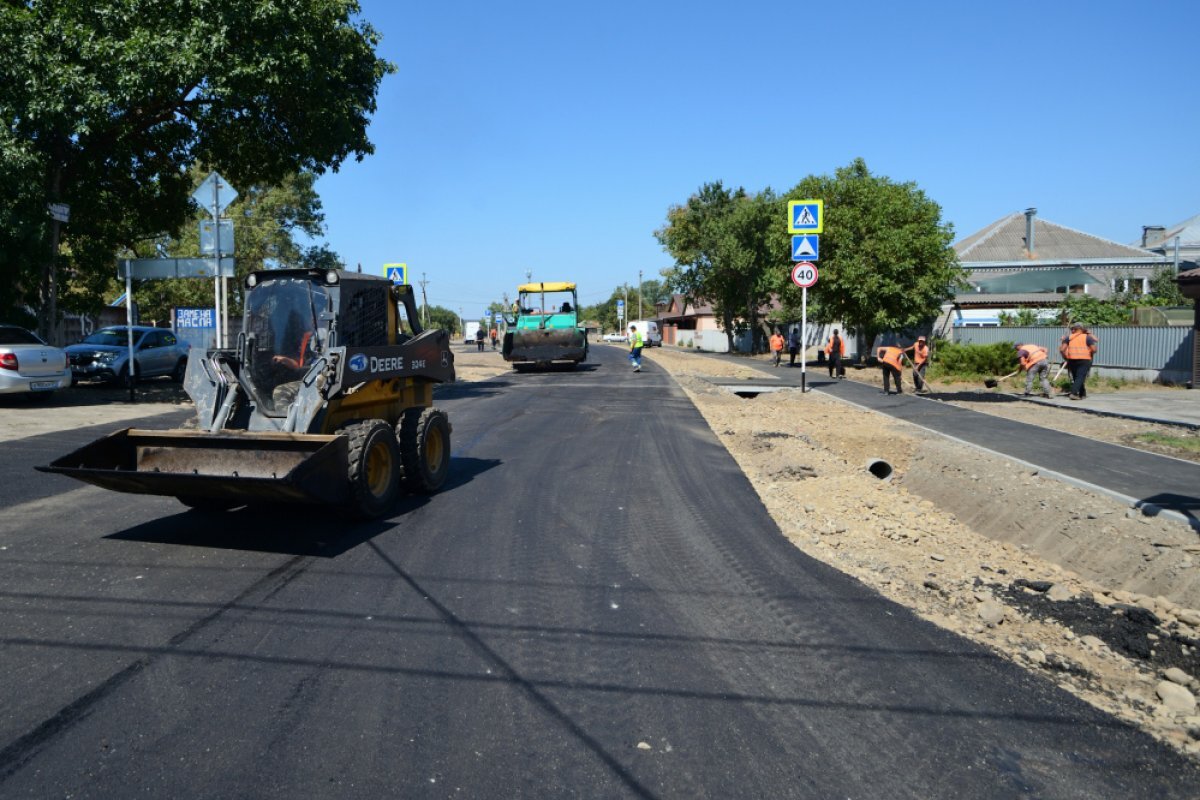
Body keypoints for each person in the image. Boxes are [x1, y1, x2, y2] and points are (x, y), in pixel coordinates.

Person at [1058, 322, 1098, 400]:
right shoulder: (1087, 337)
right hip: (1084, 360)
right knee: (1080, 377)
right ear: (1081, 329)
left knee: (1077, 377)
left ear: (1075, 329)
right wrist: (1090, 352)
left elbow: (1062, 349)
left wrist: (1066, 357)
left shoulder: (1068, 337)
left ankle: (1082, 393)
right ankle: (1073, 393)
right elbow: (1094, 349)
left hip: (1072, 360)